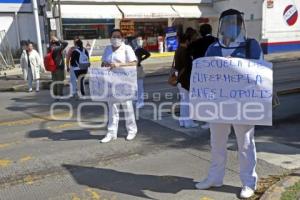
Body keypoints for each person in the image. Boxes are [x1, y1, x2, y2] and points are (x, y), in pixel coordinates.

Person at [194, 9, 263, 199]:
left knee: (246, 144)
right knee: (217, 142)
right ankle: (215, 177)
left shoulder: (251, 46)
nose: (230, 27)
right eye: (226, 23)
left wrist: (237, 66)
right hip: (219, 105)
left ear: (241, 25)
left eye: (234, 23)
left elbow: (260, 72)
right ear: (221, 26)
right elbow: (205, 74)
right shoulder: (213, 48)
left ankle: (249, 182)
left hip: (243, 105)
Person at [100, 29, 138, 143]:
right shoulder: (107, 49)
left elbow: (134, 63)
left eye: (118, 36)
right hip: (111, 82)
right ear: (110, 38)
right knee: (112, 109)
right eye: (113, 36)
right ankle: (111, 133)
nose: (115, 38)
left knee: (127, 107)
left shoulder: (127, 48)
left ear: (122, 38)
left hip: (124, 82)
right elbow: (102, 63)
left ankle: (132, 130)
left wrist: (119, 64)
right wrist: (105, 65)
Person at [188, 24, 217, 130]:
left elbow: (190, 54)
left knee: (204, 98)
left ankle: (208, 120)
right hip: (215, 74)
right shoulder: (217, 41)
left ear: (200, 32)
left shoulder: (197, 43)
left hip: (201, 75)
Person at [175, 34, 198, 129]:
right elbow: (188, 66)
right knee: (187, 101)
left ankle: (183, 121)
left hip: (180, 79)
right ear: (187, 41)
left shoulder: (178, 50)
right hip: (185, 79)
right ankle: (188, 122)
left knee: (183, 101)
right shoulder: (185, 51)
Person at [133, 36, 151, 108]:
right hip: (132, 68)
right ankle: (136, 99)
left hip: (138, 68)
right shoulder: (132, 49)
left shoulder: (139, 49)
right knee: (134, 86)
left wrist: (141, 59)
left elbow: (148, 54)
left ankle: (140, 101)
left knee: (139, 86)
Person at [49, 36, 68, 100]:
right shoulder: (57, 48)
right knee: (59, 82)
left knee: (54, 81)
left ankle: (55, 95)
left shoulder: (50, 48)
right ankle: (59, 95)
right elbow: (65, 43)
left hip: (52, 68)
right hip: (59, 68)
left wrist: (54, 41)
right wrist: (58, 40)